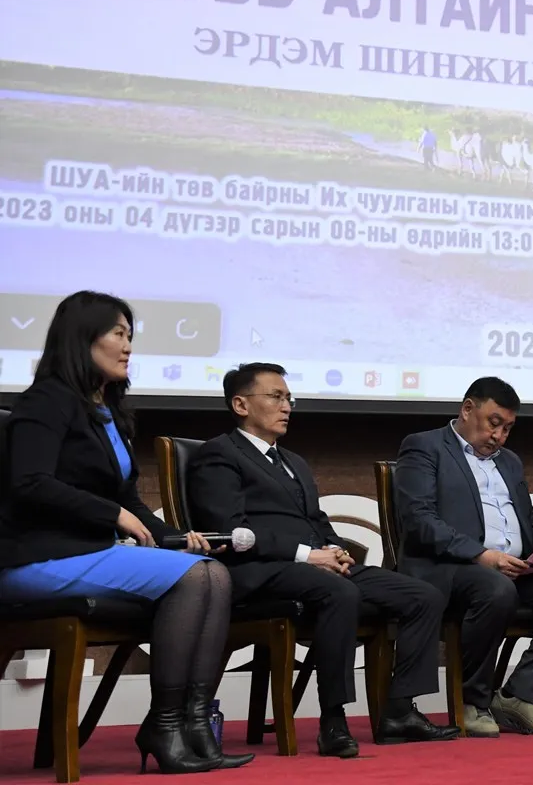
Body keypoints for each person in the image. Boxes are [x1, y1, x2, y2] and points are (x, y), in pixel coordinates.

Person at [0, 291, 253, 774]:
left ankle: (191, 723)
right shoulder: (45, 401)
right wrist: (112, 515)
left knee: (209, 571)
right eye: (118, 333)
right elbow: (30, 483)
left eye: (130, 335)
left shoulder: (108, 412)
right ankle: (166, 723)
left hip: (88, 553)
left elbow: (132, 503)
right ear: (83, 338)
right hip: (37, 558)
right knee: (198, 578)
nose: (128, 345)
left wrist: (177, 537)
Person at [186, 363, 459, 758]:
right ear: (241, 405)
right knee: (338, 592)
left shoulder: (293, 461)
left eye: (288, 398)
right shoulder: (219, 455)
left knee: (423, 596)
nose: (286, 406)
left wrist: (335, 548)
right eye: (275, 397)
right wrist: (307, 555)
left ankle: (400, 711)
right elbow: (230, 531)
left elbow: (315, 520)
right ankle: (334, 720)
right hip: (257, 571)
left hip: (313, 565)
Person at [393, 377, 533, 737]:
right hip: (451, 569)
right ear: (467, 409)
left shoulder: (510, 462)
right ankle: (473, 700)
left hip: (514, 570)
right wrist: (481, 555)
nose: (499, 436)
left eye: (507, 428)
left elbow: (529, 524)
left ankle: (520, 696)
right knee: (495, 587)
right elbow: (418, 520)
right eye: (494, 423)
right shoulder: (425, 447)